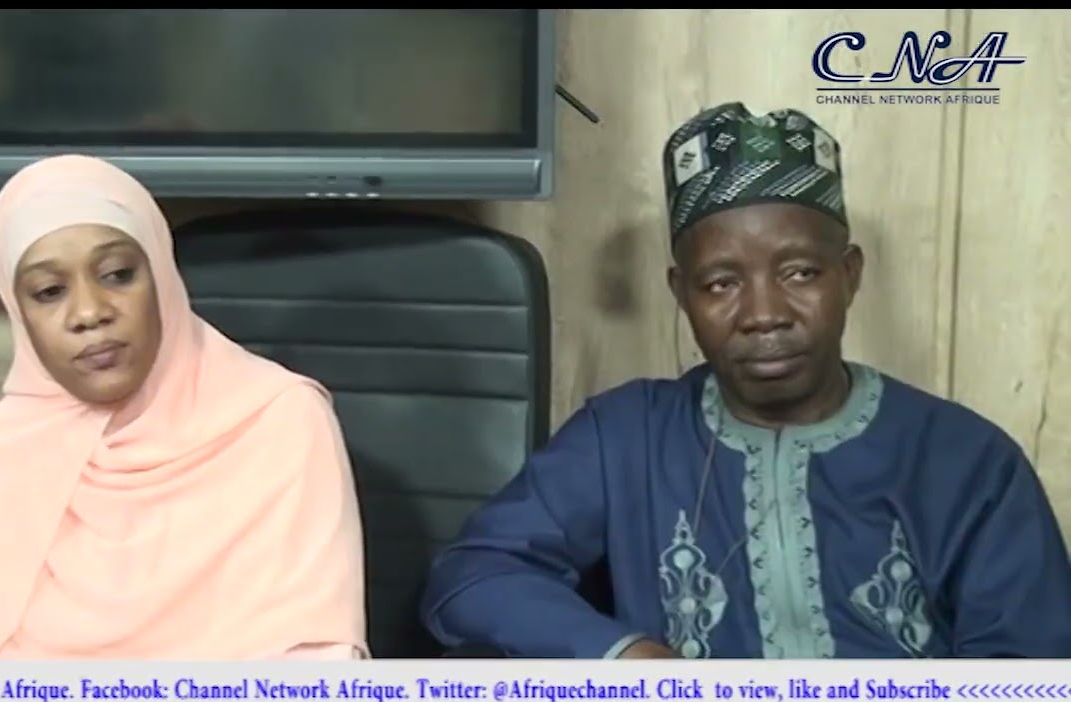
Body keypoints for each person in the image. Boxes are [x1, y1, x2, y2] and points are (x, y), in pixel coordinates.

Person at [419, 102, 1071, 661]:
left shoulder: (965, 459)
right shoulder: (623, 439)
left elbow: (1029, 671)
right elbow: (473, 577)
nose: (764, 314)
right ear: (681, 294)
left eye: (800, 273)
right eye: (721, 283)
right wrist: (628, 658)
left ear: (849, 274)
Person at [0, 155, 369, 697]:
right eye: (49, 291)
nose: (89, 313)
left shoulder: (278, 422)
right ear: (18, 313)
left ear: (162, 278)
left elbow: (309, 674)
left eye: (117, 275)